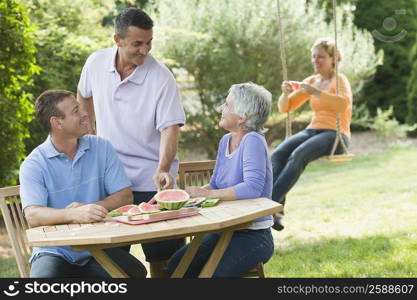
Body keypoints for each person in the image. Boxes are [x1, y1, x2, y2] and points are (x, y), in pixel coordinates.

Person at [77, 8, 186, 277]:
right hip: (110, 181)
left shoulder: (161, 77)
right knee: (111, 263)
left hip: (152, 181)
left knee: (165, 261)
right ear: (118, 39)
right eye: (137, 43)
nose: (145, 50)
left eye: (149, 42)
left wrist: (163, 168)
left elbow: (170, 129)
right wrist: (87, 134)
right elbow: (83, 95)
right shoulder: (95, 63)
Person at [19, 90, 147, 278]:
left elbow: (124, 196)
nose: (85, 113)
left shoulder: (101, 148)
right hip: (54, 250)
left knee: (135, 272)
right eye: (76, 110)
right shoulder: (34, 164)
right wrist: (73, 214)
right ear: (57, 123)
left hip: (97, 247)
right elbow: (33, 215)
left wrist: (91, 209)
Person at [166, 82, 274, 278]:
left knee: (214, 276)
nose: (220, 109)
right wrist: (188, 195)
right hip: (223, 231)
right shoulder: (226, 140)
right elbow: (215, 184)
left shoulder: (253, 140)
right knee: (177, 266)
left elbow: (252, 188)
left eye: (226, 105)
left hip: (252, 235)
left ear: (242, 117)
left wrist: (208, 194)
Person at [271, 37, 353, 231]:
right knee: (277, 154)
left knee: (298, 156)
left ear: (333, 58)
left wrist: (317, 92)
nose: (316, 60)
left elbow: (343, 104)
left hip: (336, 134)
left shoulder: (339, 79)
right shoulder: (311, 81)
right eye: (313, 56)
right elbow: (286, 107)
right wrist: (284, 93)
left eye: (321, 57)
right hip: (312, 129)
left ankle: (268, 205)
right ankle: (276, 210)